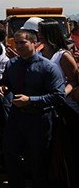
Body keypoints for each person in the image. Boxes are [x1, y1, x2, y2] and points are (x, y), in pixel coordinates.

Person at [0, 29, 65, 188]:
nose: (19, 46)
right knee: (10, 154)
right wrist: (3, 87)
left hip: (39, 120)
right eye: (16, 42)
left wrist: (30, 100)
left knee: (38, 161)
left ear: (35, 43)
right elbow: (5, 81)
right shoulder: (12, 64)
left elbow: (58, 96)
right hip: (16, 118)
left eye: (23, 42)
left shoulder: (48, 67)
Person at [37, 20, 79, 187]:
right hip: (47, 106)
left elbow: (74, 81)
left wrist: (61, 94)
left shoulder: (63, 55)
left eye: (41, 31)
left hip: (65, 108)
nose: (38, 34)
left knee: (68, 150)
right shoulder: (40, 53)